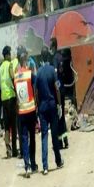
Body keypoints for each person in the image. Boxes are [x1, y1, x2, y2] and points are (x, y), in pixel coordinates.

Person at [35, 46, 64, 175]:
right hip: (52, 105)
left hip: (42, 108)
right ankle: (58, 161)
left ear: (41, 58)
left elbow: (36, 92)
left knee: (44, 136)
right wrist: (59, 104)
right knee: (54, 134)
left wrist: (36, 106)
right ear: (48, 57)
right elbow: (57, 88)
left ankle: (45, 166)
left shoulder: (38, 73)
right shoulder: (53, 70)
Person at [13, 46, 38, 178]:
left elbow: (16, 96)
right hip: (31, 110)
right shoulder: (29, 74)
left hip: (21, 112)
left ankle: (27, 165)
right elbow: (36, 87)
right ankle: (33, 164)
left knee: (24, 138)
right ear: (25, 61)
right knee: (32, 138)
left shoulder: (16, 77)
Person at [0, 46, 18, 158]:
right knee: (14, 124)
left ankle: (8, 149)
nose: (11, 56)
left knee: (6, 126)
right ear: (7, 55)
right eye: (10, 53)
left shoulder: (0, 67)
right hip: (11, 97)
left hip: (3, 99)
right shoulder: (9, 65)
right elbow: (12, 79)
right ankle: (15, 150)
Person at [50, 37, 69, 149]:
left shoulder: (55, 59)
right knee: (62, 117)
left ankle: (60, 142)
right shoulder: (60, 56)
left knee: (58, 116)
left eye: (50, 45)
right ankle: (65, 140)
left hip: (58, 91)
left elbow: (56, 77)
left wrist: (55, 90)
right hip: (62, 89)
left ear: (53, 46)